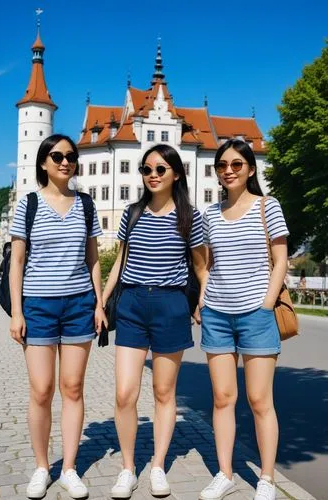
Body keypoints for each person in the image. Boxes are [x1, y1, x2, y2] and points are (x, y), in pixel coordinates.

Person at [102, 144, 205, 499]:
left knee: (164, 392)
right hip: (131, 303)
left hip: (170, 304)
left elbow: (201, 266)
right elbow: (119, 261)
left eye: (161, 169)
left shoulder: (191, 217)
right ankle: (128, 468)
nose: (153, 175)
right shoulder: (132, 212)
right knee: (124, 392)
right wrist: (101, 302)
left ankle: (158, 465)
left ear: (176, 173)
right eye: (147, 169)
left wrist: (201, 301)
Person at [9, 134, 107, 499]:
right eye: (57, 156)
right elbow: (17, 261)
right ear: (44, 162)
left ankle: (68, 467)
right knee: (41, 389)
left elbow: (93, 259)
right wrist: (17, 312)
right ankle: (40, 466)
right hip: (38, 305)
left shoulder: (85, 204)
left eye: (70, 156)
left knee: (73, 388)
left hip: (79, 303)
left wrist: (98, 304)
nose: (65, 161)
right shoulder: (28, 204)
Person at [198, 139, 289, 500]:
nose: (229, 170)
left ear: (250, 169)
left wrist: (266, 305)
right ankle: (225, 473)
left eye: (237, 164)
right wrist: (204, 299)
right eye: (222, 165)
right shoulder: (209, 214)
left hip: (256, 315)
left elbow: (280, 259)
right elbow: (207, 263)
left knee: (259, 400)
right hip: (217, 315)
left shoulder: (268, 206)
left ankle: (266, 478)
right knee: (222, 398)